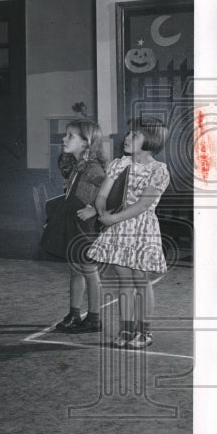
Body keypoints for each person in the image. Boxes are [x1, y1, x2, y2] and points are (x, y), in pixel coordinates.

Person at [87, 116, 170, 350]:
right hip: (119, 230)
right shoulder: (118, 164)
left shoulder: (158, 171)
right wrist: (101, 208)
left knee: (141, 280)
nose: (126, 138)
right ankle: (125, 328)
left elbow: (143, 205)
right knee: (124, 280)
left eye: (134, 135)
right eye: (128, 133)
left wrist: (112, 218)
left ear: (151, 140)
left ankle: (144, 331)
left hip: (141, 230)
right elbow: (103, 193)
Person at [53, 119, 107, 334]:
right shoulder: (77, 165)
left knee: (89, 271)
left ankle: (94, 319)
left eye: (70, 136)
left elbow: (110, 191)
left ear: (87, 143)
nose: (64, 138)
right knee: (75, 270)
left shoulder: (93, 168)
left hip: (86, 227)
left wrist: (94, 208)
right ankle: (74, 314)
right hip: (74, 223)